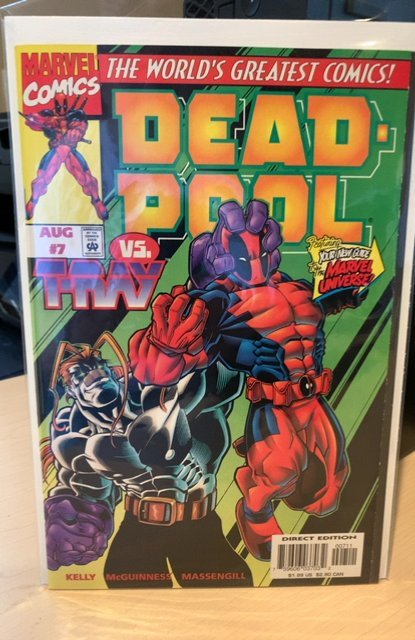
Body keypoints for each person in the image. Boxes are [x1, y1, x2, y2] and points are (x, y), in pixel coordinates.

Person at [130, 199, 367, 561]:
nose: (253, 256)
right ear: (219, 256)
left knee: (330, 488)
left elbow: (327, 305)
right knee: (279, 472)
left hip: (315, 399)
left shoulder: (298, 290)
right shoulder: (219, 301)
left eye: (259, 245)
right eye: (241, 249)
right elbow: (155, 369)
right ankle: (255, 509)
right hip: (273, 403)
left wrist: (351, 289)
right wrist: (167, 346)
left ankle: (262, 470)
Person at [45, 331, 252, 588]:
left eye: (96, 368)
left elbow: (216, 384)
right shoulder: (76, 424)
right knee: (122, 583)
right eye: (79, 376)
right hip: (139, 523)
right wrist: (71, 525)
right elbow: (86, 488)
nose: (93, 378)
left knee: (224, 589)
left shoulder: (151, 384)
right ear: (71, 390)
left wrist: (207, 344)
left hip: (196, 513)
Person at [22, 94, 107, 220]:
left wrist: (77, 131)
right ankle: (33, 202)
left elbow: (81, 125)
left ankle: (97, 201)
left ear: (67, 103)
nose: (61, 109)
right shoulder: (48, 116)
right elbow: (32, 121)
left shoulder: (74, 116)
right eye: (59, 106)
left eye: (64, 106)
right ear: (55, 104)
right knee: (41, 180)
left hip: (70, 151)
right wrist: (35, 121)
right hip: (56, 149)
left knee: (88, 180)